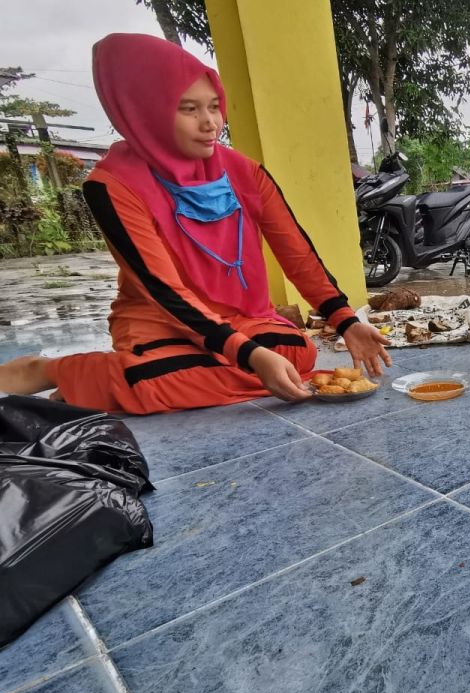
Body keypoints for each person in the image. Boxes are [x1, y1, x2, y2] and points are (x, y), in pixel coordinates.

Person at [0, 33, 390, 415]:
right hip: (160, 320)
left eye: (214, 106)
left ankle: (112, 385)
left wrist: (346, 322)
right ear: (142, 109)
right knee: (163, 376)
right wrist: (249, 355)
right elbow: (161, 289)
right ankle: (49, 371)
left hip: (244, 317)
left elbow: (298, 255)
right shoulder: (112, 184)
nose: (210, 123)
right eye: (189, 109)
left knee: (296, 353)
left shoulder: (245, 172)